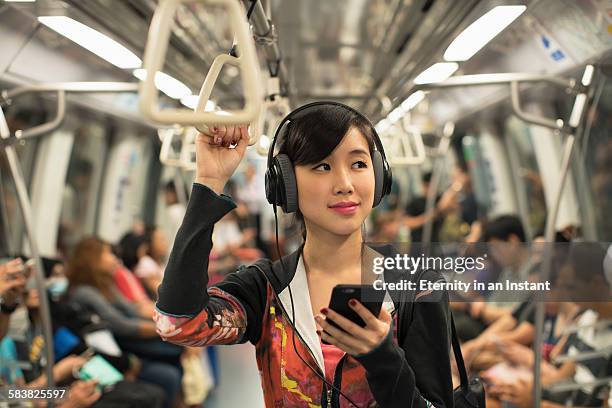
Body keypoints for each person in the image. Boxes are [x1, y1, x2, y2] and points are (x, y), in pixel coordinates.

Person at [154, 102, 453, 407]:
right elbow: (177, 324)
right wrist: (209, 181)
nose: (345, 185)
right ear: (286, 184)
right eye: (322, 166)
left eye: (358, 164)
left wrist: (382, 358)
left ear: (378, 175)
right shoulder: (265, 290)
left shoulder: (418, 286)